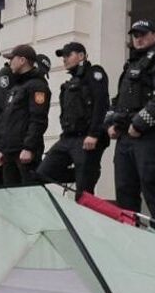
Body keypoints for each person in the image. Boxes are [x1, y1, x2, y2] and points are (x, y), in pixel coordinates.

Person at [106, 20, 155, 218]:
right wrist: (112, 123)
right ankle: (131, 240)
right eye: (135, 35)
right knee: (124, 189)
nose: (138, 39)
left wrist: (138, 125)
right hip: (125, 137)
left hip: (149, 136)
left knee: (152, 187)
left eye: (143, 34)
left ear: (154, 35)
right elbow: (118, 100)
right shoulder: (132, 64)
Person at [37, 40, 110, 195]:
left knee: (83, 194)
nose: (64, 59)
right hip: (68, 138)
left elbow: (101, 104)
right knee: (43, 173)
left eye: (68, 55)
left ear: (81, 55)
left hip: (86, 138)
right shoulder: (70, 82)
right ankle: (86, 174)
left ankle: (87, 175)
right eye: (63, 56)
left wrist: (93, 134)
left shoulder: (94, 73)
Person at [0, 45, 51, 186]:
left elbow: (38, 119)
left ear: (22, 60)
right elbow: (8, 121)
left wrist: (29, 148)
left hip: (24, 152)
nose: (9, 63)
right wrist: (2, 148)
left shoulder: (37, 86)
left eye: (11, 59)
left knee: (29, 195)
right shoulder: (17, 87)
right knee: (12, 198)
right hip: (10, 151)